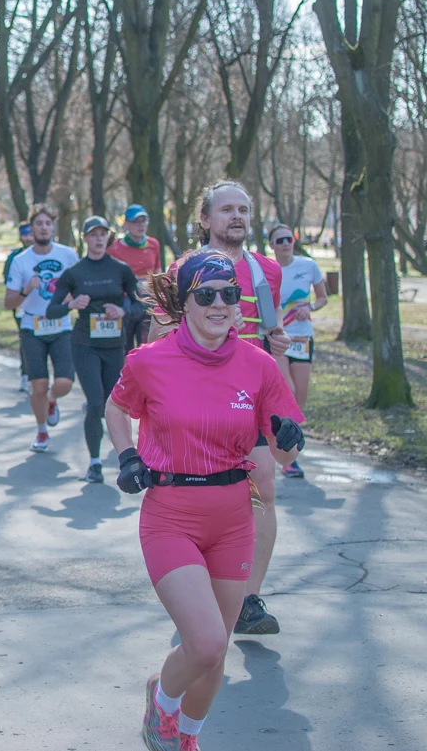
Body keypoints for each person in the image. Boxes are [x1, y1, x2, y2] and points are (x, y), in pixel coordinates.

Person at [105, 249, 304, 751]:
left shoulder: (258, 366)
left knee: (214, 654)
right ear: (184, 302)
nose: (220, 303)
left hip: (235, 516)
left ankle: (186, 738)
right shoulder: (150, 361)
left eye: (229, 294)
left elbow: (283, 453)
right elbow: (115, 406)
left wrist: (287, 435)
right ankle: (163, 700)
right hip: (171, 514)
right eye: (207, 294)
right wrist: (128, 455)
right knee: (208, 641)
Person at [156, 180, 291, 635]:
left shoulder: (266, 271)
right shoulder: (182, 269)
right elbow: (158, 339)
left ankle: (248, 598)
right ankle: (201, 583)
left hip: (253, 393)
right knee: (207, 493)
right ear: (205, 219)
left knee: (263, 488)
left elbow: (272, 335)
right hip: (198, 398)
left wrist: (279, 353)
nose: (237, 217)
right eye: (227, 209)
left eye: (244, 210)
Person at [47, 215, 143, 482]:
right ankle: (95, 462)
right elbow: (51, 309)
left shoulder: (121, 270)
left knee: (113, 405)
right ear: (86, 238)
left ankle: (122, 458)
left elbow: (139, 306)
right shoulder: (74, 273)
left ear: (108, 238)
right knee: (96, 402)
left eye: (103, 234)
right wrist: (71, 304)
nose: (99, 238)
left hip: (115, 346)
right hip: (85, 345)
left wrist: (122, 310)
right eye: (93, 234)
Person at [4, 204, 79, 452]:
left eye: (48, 223)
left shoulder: (68, 255)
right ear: (31, 228)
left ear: (53, 227)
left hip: (61, 325)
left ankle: (52, 400)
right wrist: (28, 289)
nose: (44, 228)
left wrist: (73, 299)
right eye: (39, 224)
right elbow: (8, 303)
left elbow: (80, 287)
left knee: (65, 383)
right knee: (37, 385)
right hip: (32, 326)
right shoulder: (21, 261)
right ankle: (42, 432)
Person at [270, 223, 327, 478]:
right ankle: (287, 459)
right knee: (288, 392)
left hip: (303, 338)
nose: (285, 243)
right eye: (279, 240)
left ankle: (289, 452)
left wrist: (311, 308)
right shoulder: (267, 271)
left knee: (300, 398)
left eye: (288, 239)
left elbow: (323, 297)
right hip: (279, 339)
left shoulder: (308, 266)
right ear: (272, 245)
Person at [108, 204, 162, 351]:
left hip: (148, 300)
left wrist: (159, 292)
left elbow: (157, 270)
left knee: (146, 344)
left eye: (144, 221)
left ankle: (144, 372)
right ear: (126, 224)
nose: (140, 225)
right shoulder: (114, 247)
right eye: (135, 222)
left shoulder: (153, 244)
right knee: (125, 344)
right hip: (125, 301)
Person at [4, 223, 36, 392]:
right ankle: (26, 374)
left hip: (42, 307)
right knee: (26, 340)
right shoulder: (15, 258)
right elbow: (8, 283)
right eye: (25, 235)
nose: (28, 238)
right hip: (21, 307)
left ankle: (37, 376)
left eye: (31, 234)